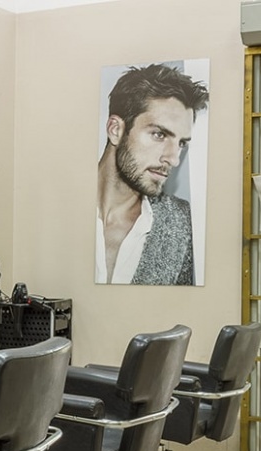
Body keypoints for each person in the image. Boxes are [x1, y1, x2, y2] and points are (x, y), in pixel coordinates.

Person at [97, 63, 209, 285]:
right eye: (159, 134)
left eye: (181, 143)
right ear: (115, 130)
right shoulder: (59, 208)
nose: (174, 159)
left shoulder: (182, 225)